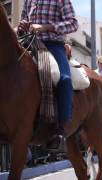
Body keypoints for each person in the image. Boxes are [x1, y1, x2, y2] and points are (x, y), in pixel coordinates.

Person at [17, 0, 79, 137]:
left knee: (64, 79)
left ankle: (62, 127)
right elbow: (23, 20)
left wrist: (46, 27)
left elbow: (73, 23)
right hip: (28, 42)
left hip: (53, 44)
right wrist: (22, 25)